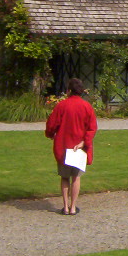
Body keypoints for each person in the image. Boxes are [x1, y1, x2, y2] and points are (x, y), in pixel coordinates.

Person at [45, 78, 98, 215]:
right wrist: (83, 142)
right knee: (76, 177)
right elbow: (92, 128)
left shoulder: (61, 106)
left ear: (68, 91)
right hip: (78, 148)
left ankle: (66, 207)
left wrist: (50, 134)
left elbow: (51, 124)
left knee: (64, 177)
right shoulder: (87, 107)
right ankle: (73, 207)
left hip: (63, 146)